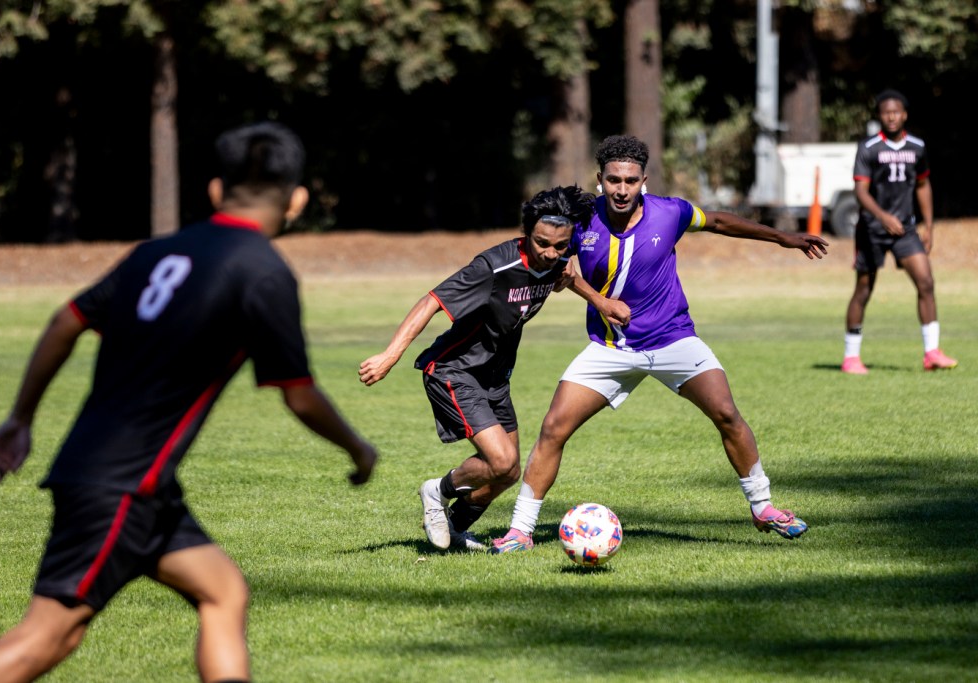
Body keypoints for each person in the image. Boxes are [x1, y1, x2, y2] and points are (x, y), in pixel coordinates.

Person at [0, 121, 378, 683]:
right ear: (298, 200)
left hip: (128, 480)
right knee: (51, 634)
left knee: (223, 591)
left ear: (213, 190)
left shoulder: (154, 253)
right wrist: (358, 450)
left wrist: (20, 419)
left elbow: (67, 321)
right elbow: (298, 395)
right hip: (123, 485)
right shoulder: (263, 271)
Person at [490, 134, 829, 554]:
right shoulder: (582, 222)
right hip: (610, 349)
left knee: (726, 413)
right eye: (613, 180)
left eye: (630, 180)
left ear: (643, 180)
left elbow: (720, 222)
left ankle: (763, 508)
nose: (621, 189)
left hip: (674, 340)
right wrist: (586, 290)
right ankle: (521, 531)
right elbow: (556, 264)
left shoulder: (670, 213)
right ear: (600, 179)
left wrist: (783, 238)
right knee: (554, 428)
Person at [358, 185, 595, 552]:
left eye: (560, 246)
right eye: (541, 243)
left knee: (508, 473)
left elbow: (574, 253)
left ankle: (452, 531)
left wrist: (598, 299)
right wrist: (391, 355)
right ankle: (436, 490)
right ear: (527, 232)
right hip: (454, 369)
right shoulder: (494, 267)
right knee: (501, 461)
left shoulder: (561, 250)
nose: (550, 253)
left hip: (496, 376)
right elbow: (431, 301)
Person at [840, 89, 957, 374]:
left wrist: (928, 225)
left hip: (905, 229)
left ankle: (932, 353)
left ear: (904, 115)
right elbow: (860, 192)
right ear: (879, 116)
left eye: (896, 112)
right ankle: (851, 357)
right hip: (872, 229)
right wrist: (882, 217)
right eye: (885, 112)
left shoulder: (917, 146)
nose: (891, 117)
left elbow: (922, 185)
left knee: (926, 282)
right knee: (864, 288)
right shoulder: (868, 148)